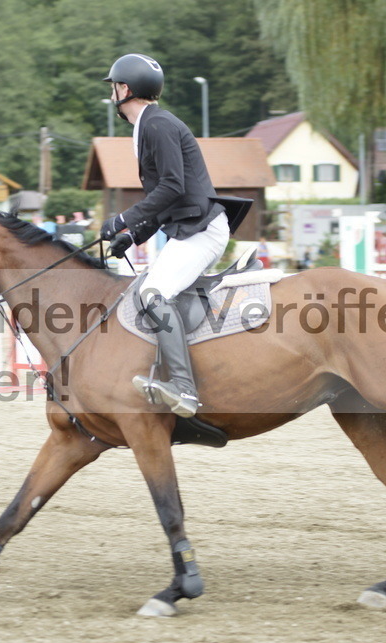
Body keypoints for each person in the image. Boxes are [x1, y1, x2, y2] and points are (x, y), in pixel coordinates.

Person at [99, 53, 234, 418]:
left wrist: (123, 218)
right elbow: (166, 194)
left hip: (201, 231)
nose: (113, 94)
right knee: (149, 288)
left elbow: (172, 186)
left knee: (153, 293)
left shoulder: (156, 126)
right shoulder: (149, 124)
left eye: (114, 87)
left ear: (125, 89)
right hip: (187, 227)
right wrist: (135, 234)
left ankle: (184, 389)